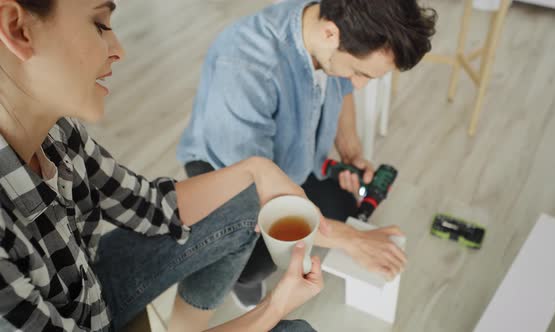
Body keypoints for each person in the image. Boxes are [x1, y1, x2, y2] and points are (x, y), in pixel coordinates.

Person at [0, 0, 327, 331]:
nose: (119, 50)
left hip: (90, 287)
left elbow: (149, 206)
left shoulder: (57, 132)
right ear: (17, 28)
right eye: (98, 24)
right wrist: (273, 307)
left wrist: (257, 169)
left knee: (245, 200)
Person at [177, 0, 437, 309]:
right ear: (330, 34)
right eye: (359, 72)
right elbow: (255, 184)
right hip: (230, 173)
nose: (359, 84)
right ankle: (244, 279)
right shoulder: (246, 63)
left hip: (292, 161)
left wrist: (351, 153)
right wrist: (351, 240)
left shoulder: (328, 24)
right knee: (252, 258)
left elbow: (343, 89)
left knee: (344, 201)